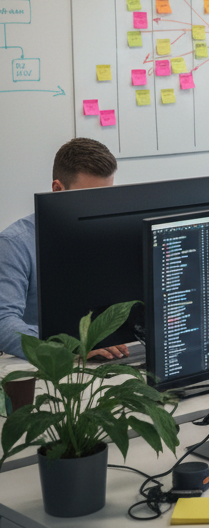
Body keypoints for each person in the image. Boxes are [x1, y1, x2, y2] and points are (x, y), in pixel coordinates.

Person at [0, 138, 128, 361]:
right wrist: (68, 347)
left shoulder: (112, 235)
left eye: (106, 196)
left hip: (110, 358)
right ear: (57, 189)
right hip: (50, 366)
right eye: (88, 199)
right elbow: (3, 323)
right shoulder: (14, 243)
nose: (99, 208)